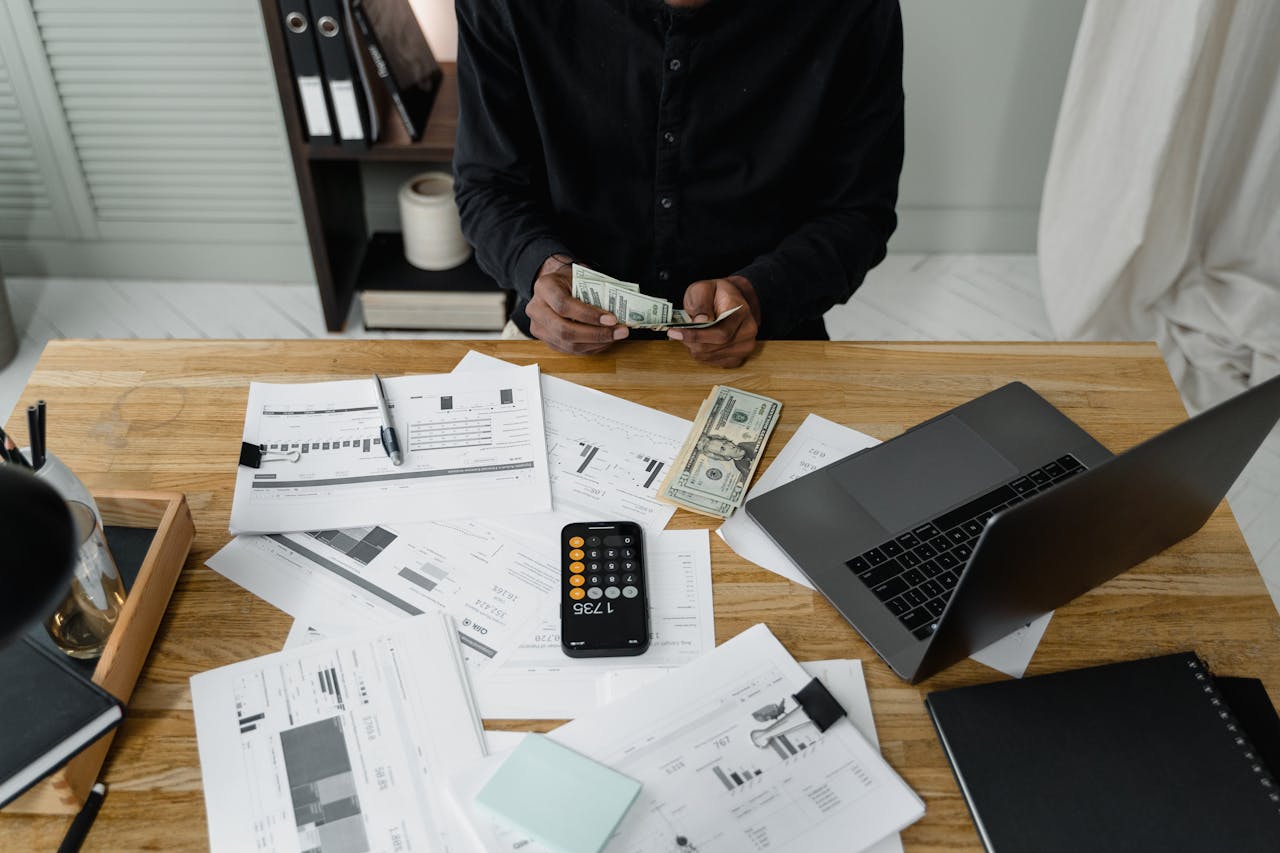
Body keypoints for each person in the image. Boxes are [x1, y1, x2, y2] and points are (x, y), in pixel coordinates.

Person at [453, 0, 904, 368]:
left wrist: (760, 293)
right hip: (557, 336)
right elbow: (488, 184)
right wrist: (540, 269)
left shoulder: (853, 12)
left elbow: (859, 212)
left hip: (769, 338)